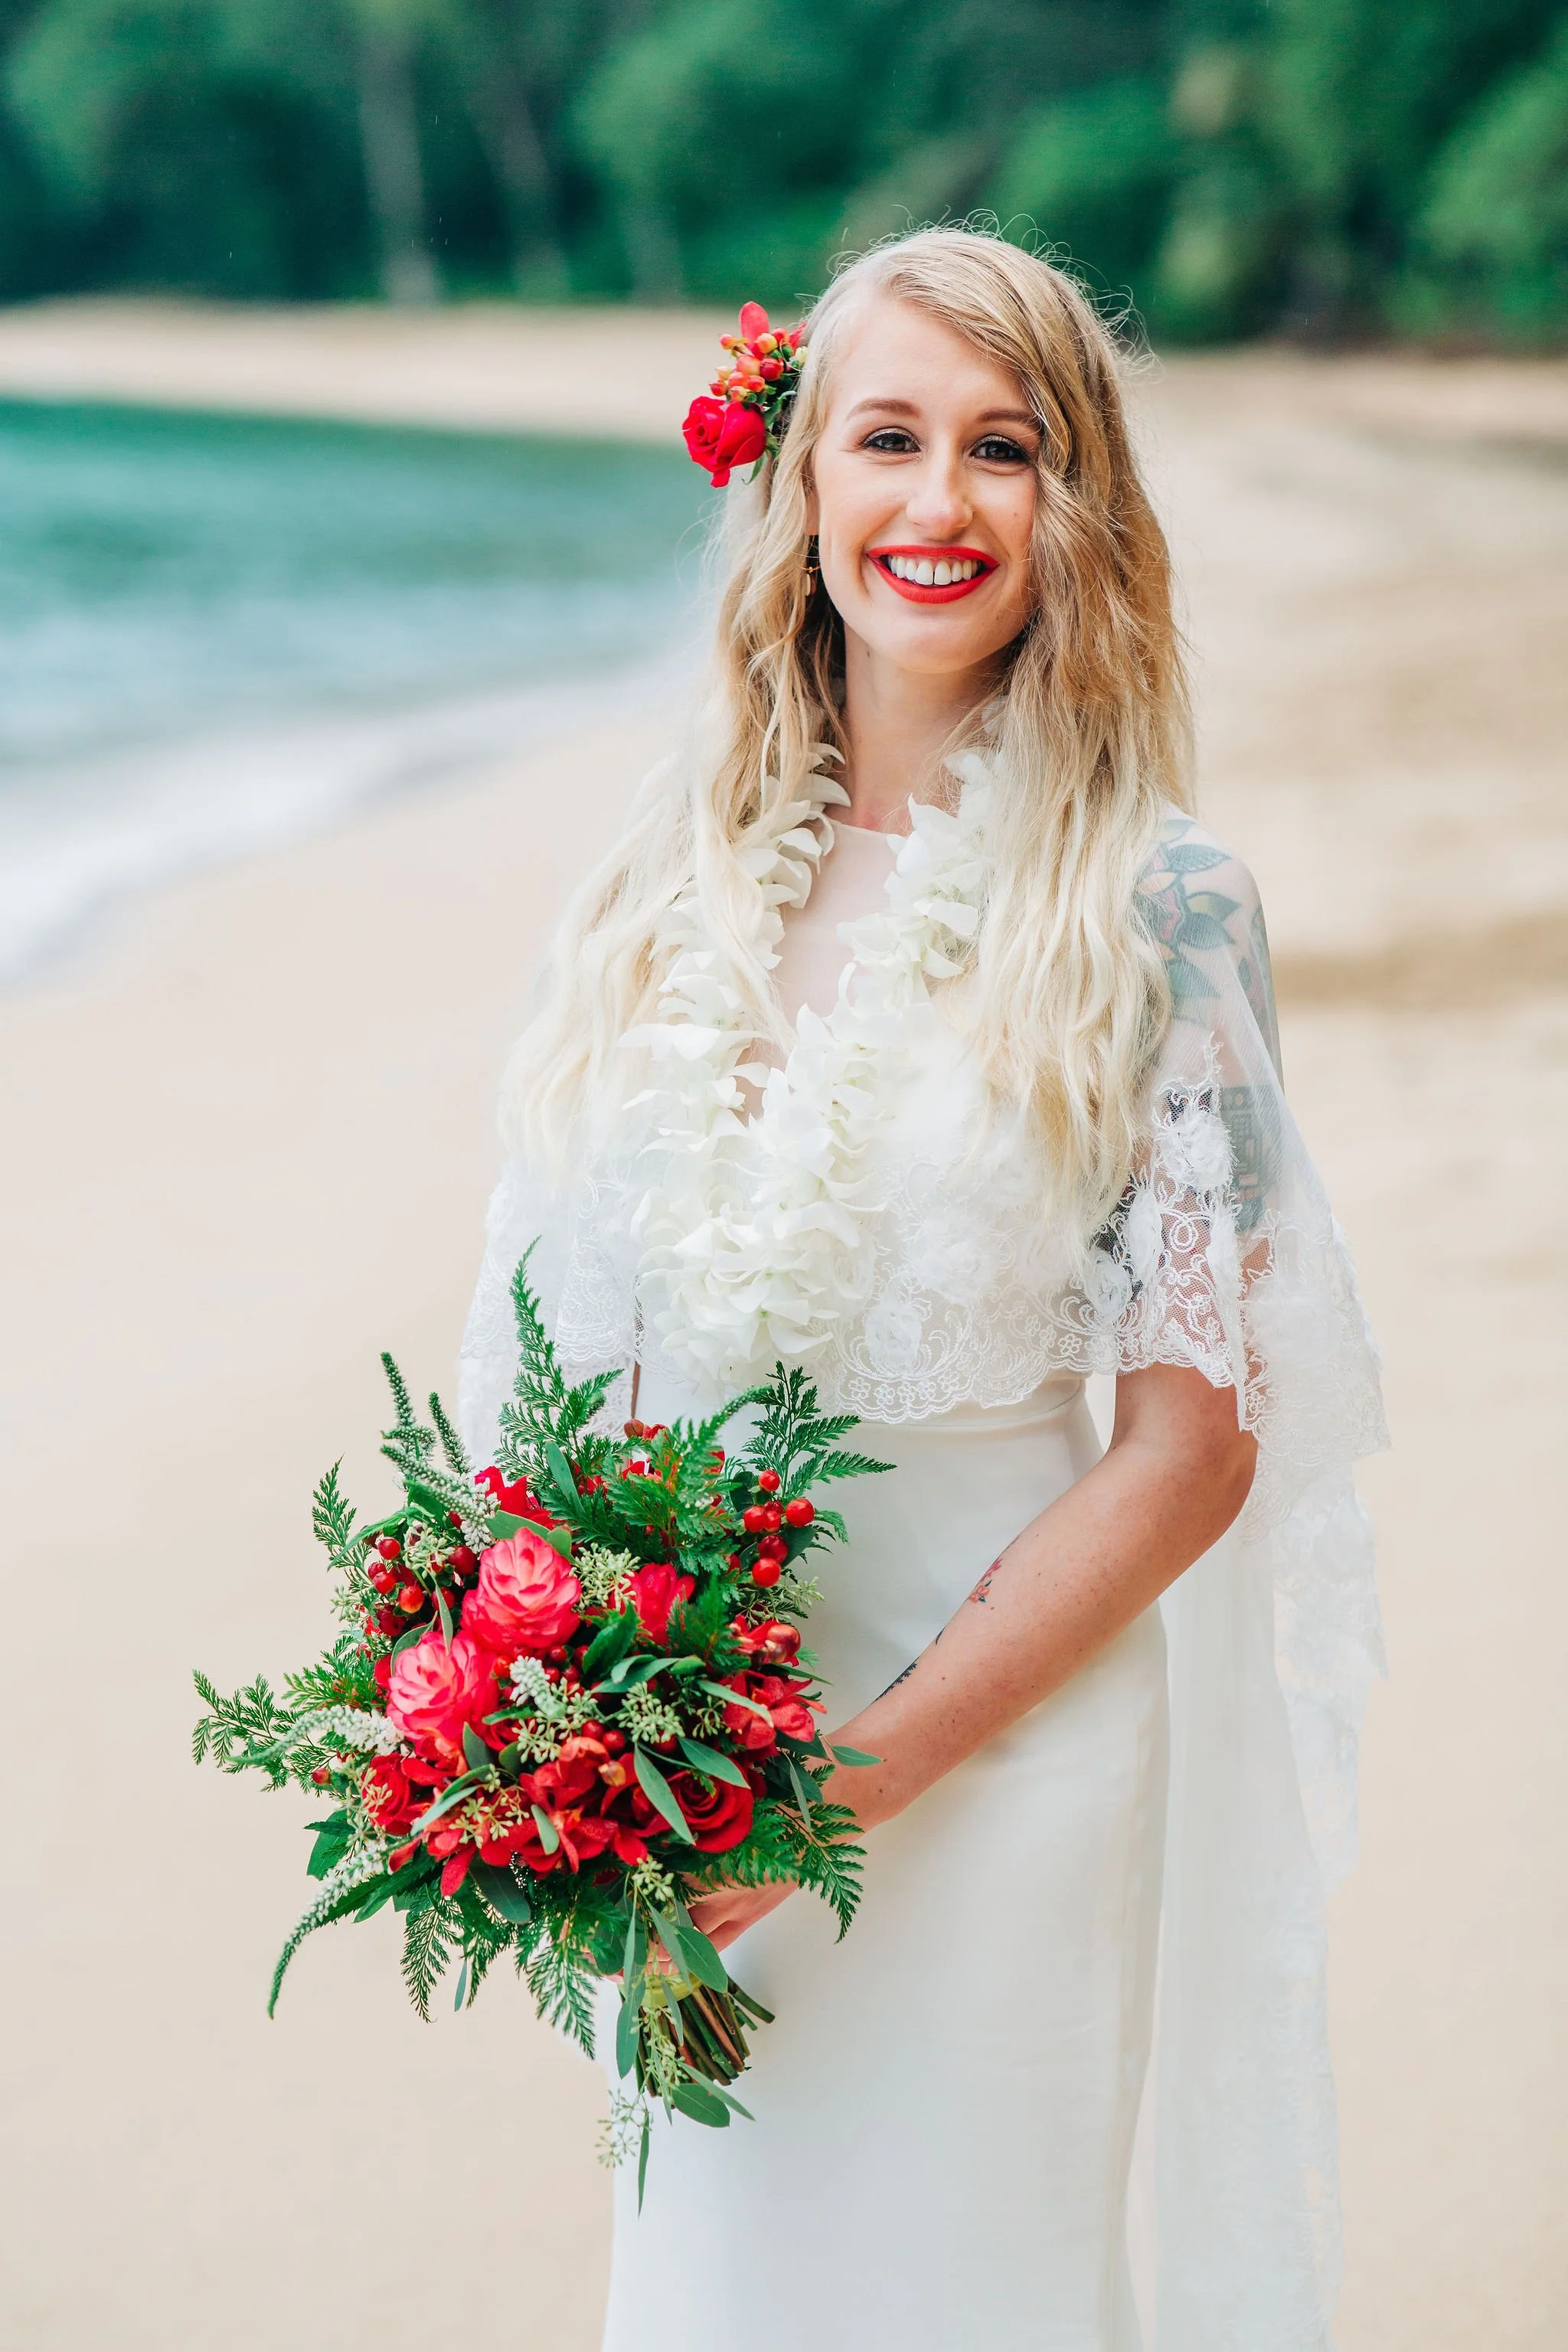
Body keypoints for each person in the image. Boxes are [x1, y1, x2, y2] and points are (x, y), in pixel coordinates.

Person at [459, 228, 1386, 2352]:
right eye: (889, 437)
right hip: (689, 1780)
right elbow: (544, 1335)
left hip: (1003, 1774)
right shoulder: (654, 874)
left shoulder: (1164, 907)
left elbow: (1190, 1448)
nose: (941, 503)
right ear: (799, 485)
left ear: (1083, 512)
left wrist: (835, 1800)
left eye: (1007, 448)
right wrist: (568, 1727)